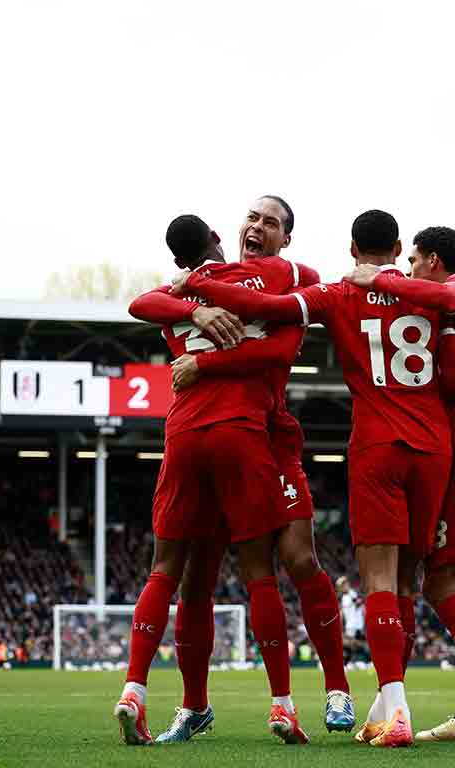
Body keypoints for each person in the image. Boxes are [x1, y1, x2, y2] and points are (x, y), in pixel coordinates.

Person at [172, 209, 455, 747]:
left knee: (379, 583)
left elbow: (264, 307)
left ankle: (400, 711)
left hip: (377, 447)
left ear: (351, 248)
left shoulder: (335, 294)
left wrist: (200, 282)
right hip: (434, 449)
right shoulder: (424, 294)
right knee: (420, 580)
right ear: (395, 248)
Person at [132, 203, 354, 742]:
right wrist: (196, 303)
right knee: (196, 578)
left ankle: (335, 689)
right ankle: (193, 707)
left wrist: (202, 340)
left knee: (298, 558)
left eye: (270, 222)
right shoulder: (201, 281)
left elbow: (278, 346)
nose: (256, 227)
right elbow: (143, 301)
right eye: (251, 217)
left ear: (287, 237)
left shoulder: (293, 277)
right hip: (222, 436)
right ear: (227, 232)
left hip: (270, 438)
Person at [345, 225, 455, 742]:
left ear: (436, 261)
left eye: (418, 262)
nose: (411, 271)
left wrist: (380, 281)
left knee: (436, 582)